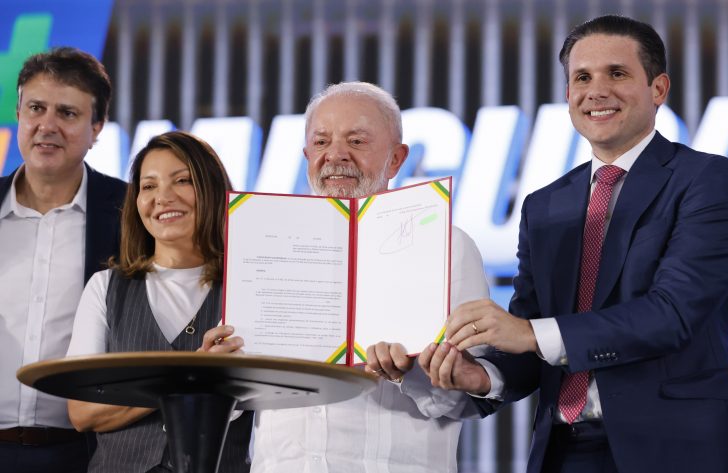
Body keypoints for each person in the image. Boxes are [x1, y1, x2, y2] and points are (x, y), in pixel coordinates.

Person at [420, 14, 728, 473]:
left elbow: (672, 314)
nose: (596, 91)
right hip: (564, 453)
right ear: (568, 95)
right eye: (582, 78)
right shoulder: (544, 205)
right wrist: (482, 375)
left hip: (678, 450)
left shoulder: (707, 179)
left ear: (658, 89)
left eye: (616, 73)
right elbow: (532, 336)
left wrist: (528, 334)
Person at [246, 81, 490, 473]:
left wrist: (412, 374)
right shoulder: (262, 248)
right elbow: (243, 400)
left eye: (356, 141)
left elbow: (474, 395)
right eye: (321, 142)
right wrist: (221, 370)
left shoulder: (449, 247)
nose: (336, 155)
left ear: (396, 159)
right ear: (307, 156)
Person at [65, 131, 252, 473]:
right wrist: (189, 376)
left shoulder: (249, 288)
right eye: (148, 186)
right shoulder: (105, 288)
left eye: (182, 180)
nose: (163, 197)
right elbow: (82, 412)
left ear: (212, 190)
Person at [0, 47, 125, 472]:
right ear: (19, 114)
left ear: (96, 128)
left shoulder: (132, 214)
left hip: (86, 453)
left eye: (67, 113)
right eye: (36, 108)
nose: (47, 125)